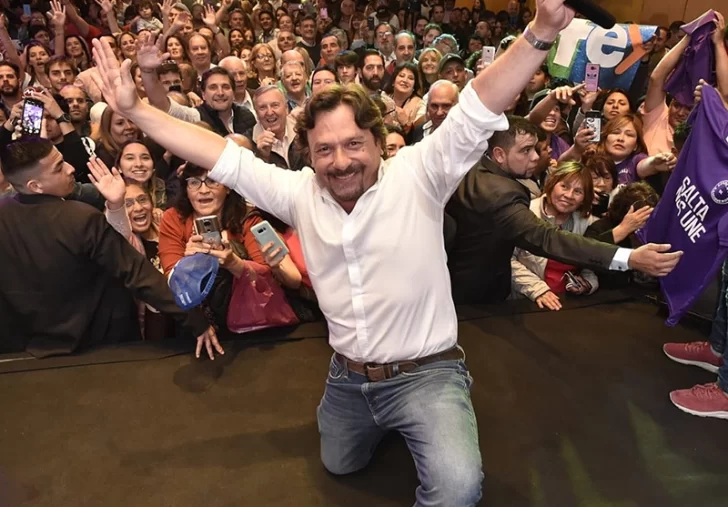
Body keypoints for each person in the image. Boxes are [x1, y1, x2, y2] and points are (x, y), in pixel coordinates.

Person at [90, 2, 680, 501]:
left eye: (354, 144)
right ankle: (382, 422)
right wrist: (137, 110)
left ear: (377, 141)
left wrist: (541, 31)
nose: (340, 160)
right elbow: (219, 154)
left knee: (458, 490)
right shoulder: (298, 193)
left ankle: (432, 411)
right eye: (325, 150)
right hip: (348, 378)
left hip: (428, 373)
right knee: (339, 466)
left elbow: (480, 103)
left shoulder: (419, 173)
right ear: (309, 154)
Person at [0, 139, 217, 358]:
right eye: (58, 168)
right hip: (101, 347)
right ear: (35, 186)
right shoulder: (80, 218)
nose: (71, 168)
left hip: (27, 353)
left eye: (63, 160)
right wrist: (194, 320)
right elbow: (136, 273)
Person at [445, 116, 682, 306]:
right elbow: (547, 239)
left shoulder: (472, 165)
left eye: (536, 149)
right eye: (526, 151)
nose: (535, 157)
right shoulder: (502, 194)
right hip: (474, 296)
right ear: (499, 154)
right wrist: (628, 258)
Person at [510, 162, 599, 310]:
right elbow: (506, 259)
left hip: (567, 304)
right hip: (524, 303)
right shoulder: (525, 212)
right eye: (564, 186)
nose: (569, 195)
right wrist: (538, 290)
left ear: (584, 198)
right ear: (552, 184)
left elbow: (591, 264)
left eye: (578, 191)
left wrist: (587, 283)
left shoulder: (587, 222)